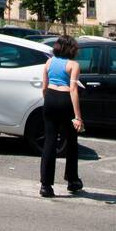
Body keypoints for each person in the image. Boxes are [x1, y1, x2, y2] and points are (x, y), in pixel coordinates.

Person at [39, 35, 84, 197]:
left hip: (50, 97)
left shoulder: (49, 62)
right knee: (71, 141)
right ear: (71, 49)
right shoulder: (73, 65)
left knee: (50, 142)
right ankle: (72, 179)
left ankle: (45, 184)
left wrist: (48, 101)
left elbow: (43, 87)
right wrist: (78, 116)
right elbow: (73, 90)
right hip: (65, 100)